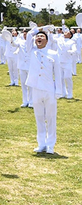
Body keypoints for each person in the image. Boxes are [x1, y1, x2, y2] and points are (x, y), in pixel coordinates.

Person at [25, 26, 63, 154]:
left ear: (47, 41)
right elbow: (29, 36)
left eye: (42, 36)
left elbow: (58, 74)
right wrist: (38, 29)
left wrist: (58, 91)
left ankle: (50, 144)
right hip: (36, 88)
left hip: (49, 89)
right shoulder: (32, 51)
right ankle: (41, 143)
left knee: (51, 117)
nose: (39, 38)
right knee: (39, 117)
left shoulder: (53, 54)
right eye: (38, 36)